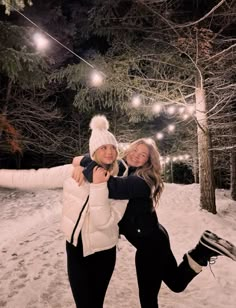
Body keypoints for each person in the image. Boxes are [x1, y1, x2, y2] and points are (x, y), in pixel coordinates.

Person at [72, 137, 236, 308]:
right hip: (148, 243)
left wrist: (82, 162)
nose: (136, 156)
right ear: (128, 149)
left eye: (142, 155)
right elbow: (101, 158)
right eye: (135, 150)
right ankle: (203, 249)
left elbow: (112, 186)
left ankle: (203, 250)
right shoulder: (124, 168)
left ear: (148, 161)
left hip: (152, 245)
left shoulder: (143, 180)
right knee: (162, 291)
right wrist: (84, 160)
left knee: (165, 291)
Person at [0, 115, 128, 308]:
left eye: (113, 148)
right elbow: (36, 178)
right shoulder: (73, 171)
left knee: (95, 304)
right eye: (103, 147)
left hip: (103, 251)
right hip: (75, 248)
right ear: (93, 151)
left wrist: (99, 186)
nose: (109, 152)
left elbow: (104, 222)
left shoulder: (122, 182)